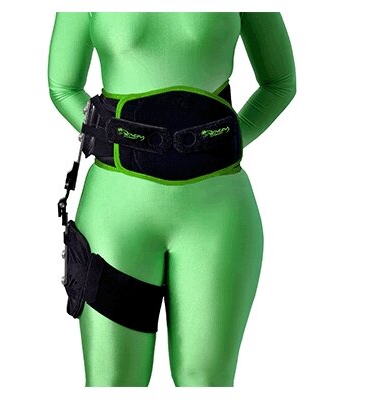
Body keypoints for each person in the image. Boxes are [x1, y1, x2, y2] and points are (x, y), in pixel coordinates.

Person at [48, 11, 296, 387]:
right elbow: (63, 86)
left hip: (215, 216)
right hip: (115, 218)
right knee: (112, 383)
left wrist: (224, 142)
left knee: (206, 383)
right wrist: (114, 138)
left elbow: (280, 83)